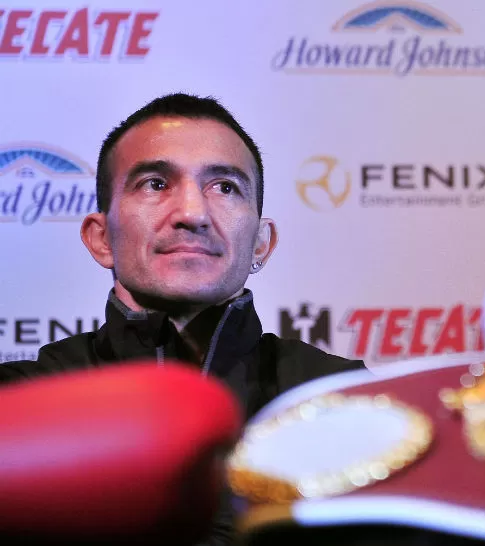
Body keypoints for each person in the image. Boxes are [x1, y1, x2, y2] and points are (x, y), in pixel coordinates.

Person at [0, 93, 365, 544]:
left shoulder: (345, 402)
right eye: (155, 184)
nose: (192, 214)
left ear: (260, 243)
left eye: (224, 187)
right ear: (101, 239)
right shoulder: (22, 404)